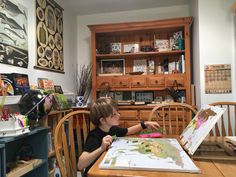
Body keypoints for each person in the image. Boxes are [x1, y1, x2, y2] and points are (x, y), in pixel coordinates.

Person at [78, 97, 159, 174]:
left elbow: (128, 131)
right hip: (96, 173)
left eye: (117, 112)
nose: (119, 115)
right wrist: (101, 148)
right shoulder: (94, 136)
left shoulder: (113, 129)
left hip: (108, 169)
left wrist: (145, 124)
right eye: (114, 114)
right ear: (103, 120)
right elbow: (80, 165)